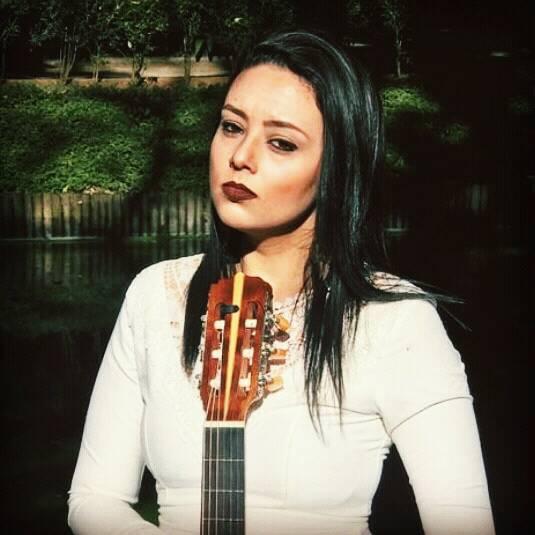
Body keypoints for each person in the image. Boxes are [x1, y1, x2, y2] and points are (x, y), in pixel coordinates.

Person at [68, 31, 495, 534]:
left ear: (337, 168)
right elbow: (94, 500)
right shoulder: (156, 295)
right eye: (231, 126)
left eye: (281, 143)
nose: (241, 156)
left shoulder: (396, 321)